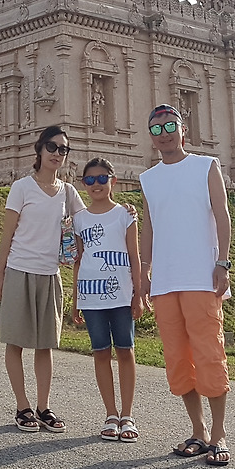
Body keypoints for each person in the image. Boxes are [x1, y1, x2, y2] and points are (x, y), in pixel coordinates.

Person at [139, 104, 233, 466]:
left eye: (170, 126)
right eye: (156, 129)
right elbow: (149, 227)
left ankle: (219, 433)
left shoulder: (206, 166)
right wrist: (145, 272)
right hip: (165, 281)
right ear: (151, 137)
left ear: (183, 130)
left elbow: (222, 215)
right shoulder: (149, 178)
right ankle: (198, 430)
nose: (163, 134)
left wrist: (223, 262)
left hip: (200, 276)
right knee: (178, 359)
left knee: (209, 354)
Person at [0, 125, 84, 433]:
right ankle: (23, 406)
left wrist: (123, 211)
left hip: (49, 273)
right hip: (19, 270)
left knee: (45, 345)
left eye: (63, 149)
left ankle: (44, 407)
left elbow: (89, 221)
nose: (57, 154)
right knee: (16, 341)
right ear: (40, 149)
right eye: (52, 147)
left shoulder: (68, 192)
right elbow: (7, 235)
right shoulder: (22, 188)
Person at [70, 157, 144, 442]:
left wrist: (139, 294)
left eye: (102, 178)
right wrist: (75, 300)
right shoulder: (79, 219)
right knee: (100, 352)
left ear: (113, 181)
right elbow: (78, 261)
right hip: (91, 295)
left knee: (125, 350)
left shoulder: (125, 214)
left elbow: (134, 256)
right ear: (84, 184)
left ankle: (128, 415)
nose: (96, 184)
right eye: (90, 180)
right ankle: (111, 414)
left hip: (122, 294)